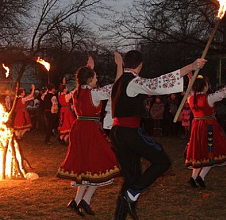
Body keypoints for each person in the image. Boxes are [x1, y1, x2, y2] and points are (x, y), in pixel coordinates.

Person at [110, 50, 207, 220]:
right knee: (162, 161)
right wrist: (190, 67)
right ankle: (133, 193)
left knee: (131, 178)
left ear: (125, 64)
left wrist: (119, 65)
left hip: (118, 134)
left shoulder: (118, 82)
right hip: (129, 133)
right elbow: (159, 83)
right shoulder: (133, 82)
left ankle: (120, 215)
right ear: (141, 65)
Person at [57, 52, 123, 217]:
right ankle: (84, 200)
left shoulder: (76, 92)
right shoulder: (95, 93)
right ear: (89, 79)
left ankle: (79, 200)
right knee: (98, 164)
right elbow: (117, 86)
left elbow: (81, 83)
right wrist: (119, 66)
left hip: (79, 129)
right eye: (95, 76)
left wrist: (89, 68)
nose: (97, 79)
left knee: (86, 166)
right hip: (90, 130)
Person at [185, 65, 226, 189]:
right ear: (205, 86)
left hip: (197, 127)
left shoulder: (190, 98)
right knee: (210, 151)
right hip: (208, 127)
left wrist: (191, 79)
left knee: (199, 151)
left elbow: (191, 90)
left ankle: (194, 178)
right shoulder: (208, 98)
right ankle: (200, 177)